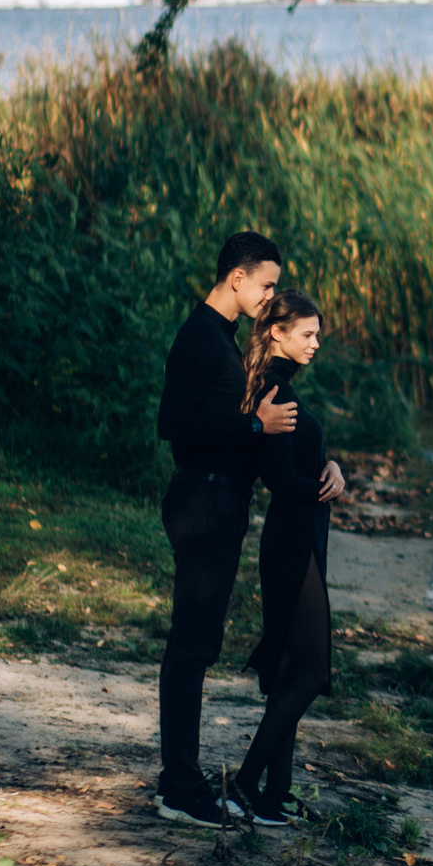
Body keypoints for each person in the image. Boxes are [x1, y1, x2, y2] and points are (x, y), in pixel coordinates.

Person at [152, 233, 344, 827]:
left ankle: (194, 781)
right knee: (192, 645)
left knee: (201, 643)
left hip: (222, 503)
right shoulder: (200, 337)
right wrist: (256, 427)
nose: (269, 296)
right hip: (201, 501)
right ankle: (179, 787)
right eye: (265, 284)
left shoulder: (225, 341)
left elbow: (241, 432)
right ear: (237, 278)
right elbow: (172, 424)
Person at [228, 287, 337, 826]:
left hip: (301, 535)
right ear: (278, 332)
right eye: (308, 334)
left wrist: (329, 466)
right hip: (292, 540)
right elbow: (277, 478)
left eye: (317, 335)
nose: (315, 343)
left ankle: (276, 792)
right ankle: (245, 784)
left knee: (295, 666)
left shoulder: (280, 383)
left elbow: (297, 458)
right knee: (311, 671)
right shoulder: (275, 388)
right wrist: (326, 488)